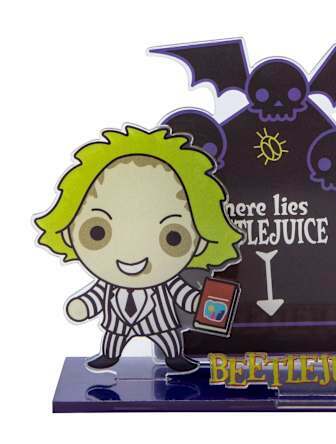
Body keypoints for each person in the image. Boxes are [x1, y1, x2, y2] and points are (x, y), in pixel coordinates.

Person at [35, 126, 242, 372]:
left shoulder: (168, 280)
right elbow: (95, 296)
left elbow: (183, 294)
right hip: (118, 324)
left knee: (168, 338)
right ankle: (110, 355)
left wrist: (200, 302)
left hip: (161, 324)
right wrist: (83, 306)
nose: (133, 254)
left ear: (202, 240)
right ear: (67, 231)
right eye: (97, 232)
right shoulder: (108, 284)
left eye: (173, 237)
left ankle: (174, 357)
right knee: (114, 339)